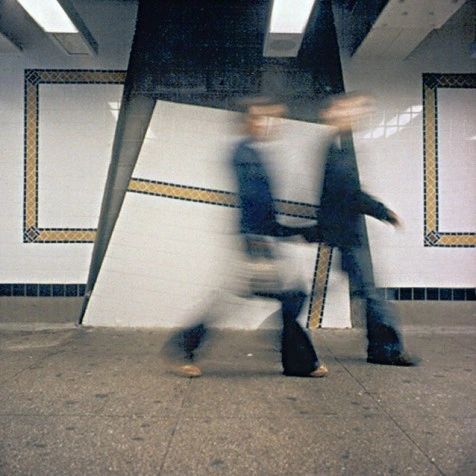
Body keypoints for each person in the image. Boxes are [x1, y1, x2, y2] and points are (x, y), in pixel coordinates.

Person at [162, 98, 328, 378]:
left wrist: (289, 232)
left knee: (278, 297)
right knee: (288, 297)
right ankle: (181, 348)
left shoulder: (249, 153)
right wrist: (287, 233)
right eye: (265, 118)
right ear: (248, 122)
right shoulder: (246, 155)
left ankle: (182, 347)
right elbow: (256, 206)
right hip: (255, 242)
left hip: (256, 239)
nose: (272, 124)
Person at [304, 93, 418, 366]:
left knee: (363, 292)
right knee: (372, 293)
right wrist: (383, 211)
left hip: (342, 232)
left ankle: (380, 349)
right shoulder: (338, 147)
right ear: (333, 112)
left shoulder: (339, 145)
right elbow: (350, 194)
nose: (357, 114)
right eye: (350, 109)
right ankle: (386, 350)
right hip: (348, 235)